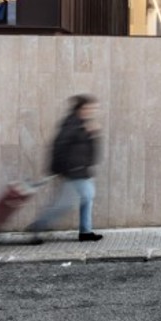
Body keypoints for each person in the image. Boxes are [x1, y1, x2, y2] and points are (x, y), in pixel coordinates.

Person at [25, 95, 103, 242]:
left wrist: (92, 134)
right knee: (64, 204)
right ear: (81, 108)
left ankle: (85, 232)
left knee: (87, 197)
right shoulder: (72, 124)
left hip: (82, 170)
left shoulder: (82, 124)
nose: (92, 111)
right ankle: (37, 226)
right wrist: (58, 168)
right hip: (73, 171)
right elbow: (58, 146)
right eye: (90, 108)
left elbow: (89, 150)